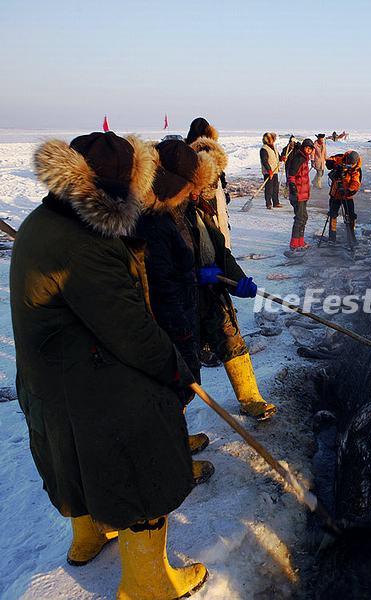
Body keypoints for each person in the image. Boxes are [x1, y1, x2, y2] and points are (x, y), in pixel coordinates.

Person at [10, 131, 207, 597]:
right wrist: (175, 371)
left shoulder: (47, 218)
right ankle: (148, 583)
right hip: (83, 380)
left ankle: (88, 535)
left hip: (50, 378)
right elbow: (131, 331)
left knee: (71, 457)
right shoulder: (85, 245)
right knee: (144, 450)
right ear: (123, 186)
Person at [136, 139, 221, 486]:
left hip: (184, 309)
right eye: (189, 188)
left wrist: (202, 273)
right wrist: (180, 329)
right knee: (171, 389)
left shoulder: (176, 210)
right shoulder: (153, 221)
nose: (192, 194)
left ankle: (177, 440)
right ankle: (172, 461)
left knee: (182, 389)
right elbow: (161, 280)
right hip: (168, 321)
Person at [187, 135, 278, 422]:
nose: (213, 190)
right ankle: (175, 428)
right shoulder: (167, 215)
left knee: (231, 338)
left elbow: (220, 252)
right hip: (183, 300)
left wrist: (238, 279)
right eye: (208, 184)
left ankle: (251, 398)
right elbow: (159, 267)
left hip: (212, 290)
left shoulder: (203, 209)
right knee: (183, 362)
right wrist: (192, 277)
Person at [186, 117, 231, 248]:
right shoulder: (209, 152)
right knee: (214, 240)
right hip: (207, 204)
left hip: (200, 204)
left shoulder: (187, 152)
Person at [325, 150, 362, 244]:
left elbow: (355, 184)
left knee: (351, 216)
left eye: (351, 164)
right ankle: (332, 237)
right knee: (333, 215)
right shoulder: (340, 158)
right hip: (335, 193)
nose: (348, 166)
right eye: (347, 163)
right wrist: (335, 166)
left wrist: (347, 191)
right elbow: (329, 161)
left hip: (347, 196)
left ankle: (351, 236)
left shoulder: (356, 169)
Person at [286, 138, 315, 250]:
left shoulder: (304, 158)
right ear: (303, 148)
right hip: (298, 194)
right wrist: (293, 187)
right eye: (307, 147)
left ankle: (300, 241)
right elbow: (291, 175)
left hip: (303, 194)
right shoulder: (299, 158)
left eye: (310, 148)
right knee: (300, 218)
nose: (309, 150)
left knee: (303, 217)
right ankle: (294, 243)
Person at [259, 132, 282, 208]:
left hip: (274, 171)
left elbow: (278, 157)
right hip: (268, 172)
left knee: (275, 187)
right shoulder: (264, 149)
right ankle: (268, 203)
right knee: (269, 188)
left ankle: (276, 202)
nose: (273, 141)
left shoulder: (274, 148)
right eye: (272, 139)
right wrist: (269, 170)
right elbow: (264, 161)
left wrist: (282, 158)